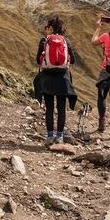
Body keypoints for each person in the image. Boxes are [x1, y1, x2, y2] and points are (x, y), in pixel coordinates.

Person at [36, 17, 76, 147]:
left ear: (51, 28)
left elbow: (38, 59)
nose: (46, 30)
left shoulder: (44, 41)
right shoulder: (66, 41)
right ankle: (59, 137)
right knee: (61, 108)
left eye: (47, 28)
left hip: (47, 77)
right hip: (63, 78)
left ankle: (49, 136)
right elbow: (73, 60)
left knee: (49, 108)